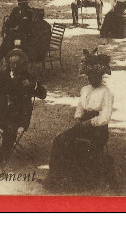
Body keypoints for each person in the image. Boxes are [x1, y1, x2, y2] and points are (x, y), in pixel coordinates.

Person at [46, 49, 114, 190]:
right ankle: (56, 178)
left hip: (98, 128)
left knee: (84, 146)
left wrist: (89, 123)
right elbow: (80, 107)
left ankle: (82, 181)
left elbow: (105, 116)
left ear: (101, 76)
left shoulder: (106, 92)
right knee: (60, 140)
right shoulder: (85, 89)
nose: (92, 79)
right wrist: (78, 119)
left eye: (95, 77)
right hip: (83, 123)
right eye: (90, 77)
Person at [0, 49, 47, 172]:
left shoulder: (28, 78)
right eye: (12, 64)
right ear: (9, 64)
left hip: (16, 116)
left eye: (18, 64)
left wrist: (33, 85)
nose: (14, 66)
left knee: (11, 131)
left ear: (24, 64)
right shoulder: (2, 75)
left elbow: (43, 94)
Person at [0, 0, 50, 65]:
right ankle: (2, 56)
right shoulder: (16, 10)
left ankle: (1, 57)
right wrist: (9, 28)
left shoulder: (29, 12)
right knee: (9, 37)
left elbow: (27, 26)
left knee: (10, 39)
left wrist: (16, 28)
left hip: (25, 35)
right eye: (19, 3)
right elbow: (10, 21)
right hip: (18, 33)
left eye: (22, 4)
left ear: (25, 3)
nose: (20, 5)